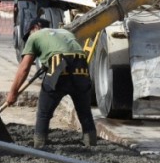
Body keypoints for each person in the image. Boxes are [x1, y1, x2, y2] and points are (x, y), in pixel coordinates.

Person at [6, 18, 97, 149]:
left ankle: (39, 144)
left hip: (59, 66)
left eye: (30, 33)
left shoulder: (35, 35)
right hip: (81, 68)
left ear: (35, 27)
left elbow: (24, 67)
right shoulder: (66, 33)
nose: (29, 37)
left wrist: (13, 93)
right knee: (84, 111)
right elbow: (66, 51)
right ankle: (91, 142)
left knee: (44, 112)